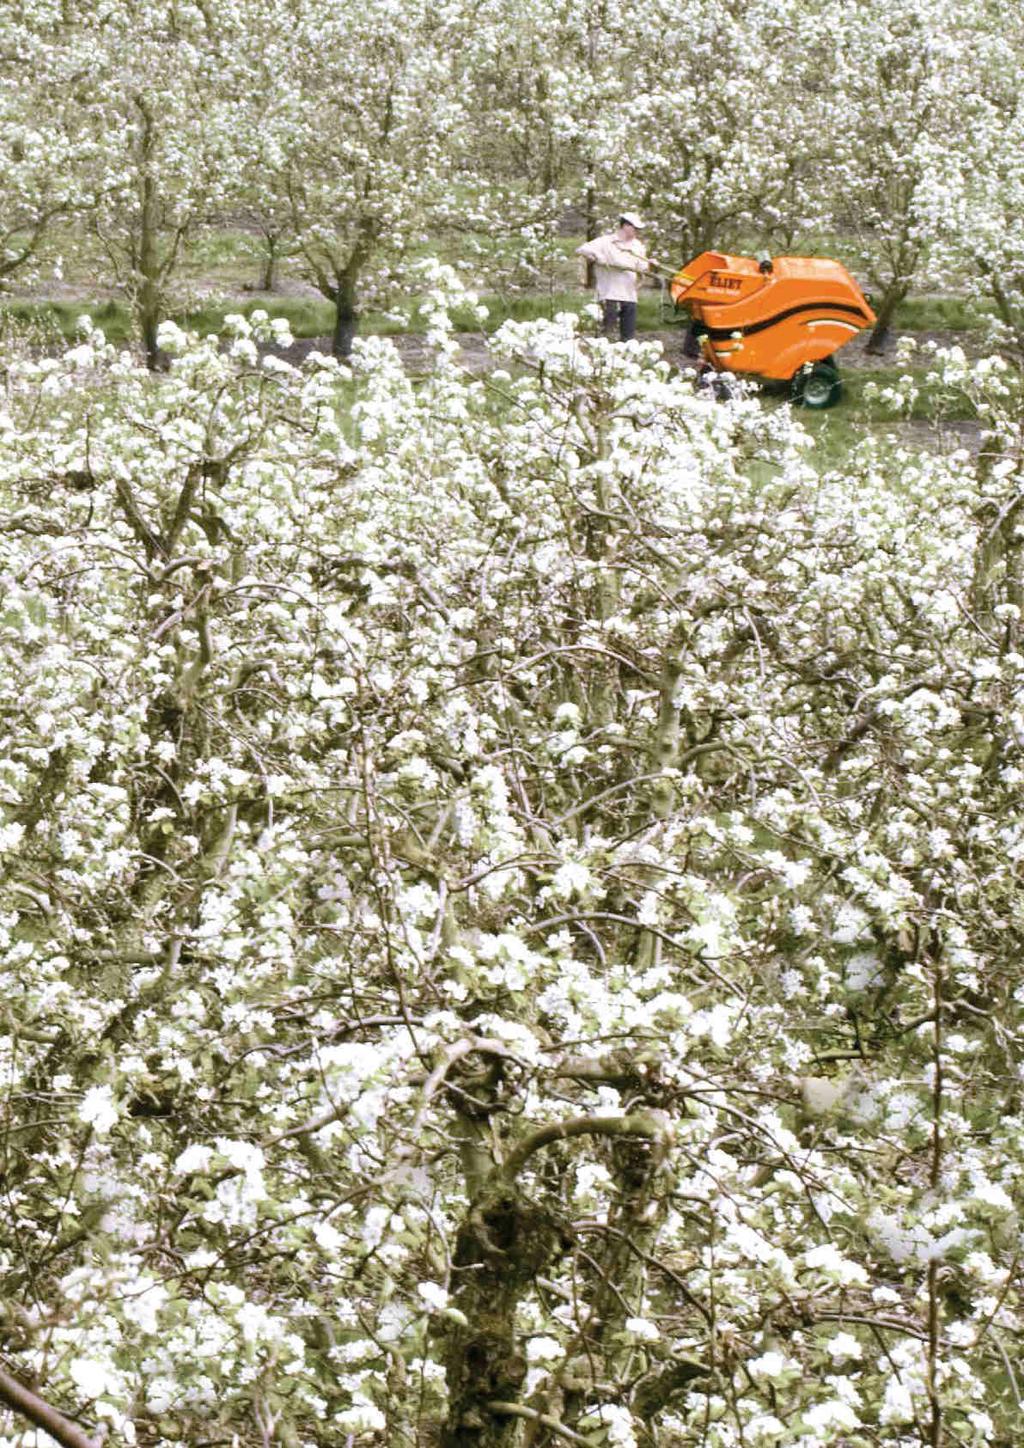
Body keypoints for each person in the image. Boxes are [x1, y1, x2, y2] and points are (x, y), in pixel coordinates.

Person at [575, 212, 660, 341]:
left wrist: (651, 264)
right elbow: (582, 249)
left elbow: (642, 267)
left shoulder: (637, 246)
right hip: (609, 294)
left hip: (630, 295)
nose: (636, 231)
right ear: (625, 226)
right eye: (634, 228)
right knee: (608, 334)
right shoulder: (606, 241)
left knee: (628, 336)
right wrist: (599, 257)